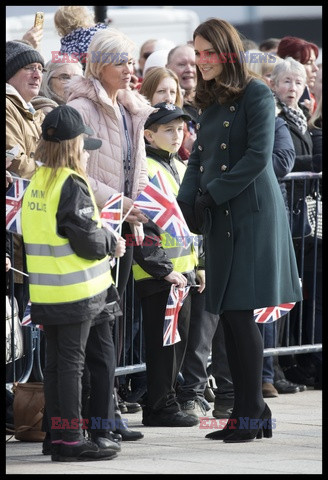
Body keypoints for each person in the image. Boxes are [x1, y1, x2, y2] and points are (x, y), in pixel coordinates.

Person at [177, 18, 302, 443]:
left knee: (236, 310)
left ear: (227, 53)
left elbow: (256, 156)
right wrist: (187, 195)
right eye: (197, 52)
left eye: (209, 52)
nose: (201, 61)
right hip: (221, 212)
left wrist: (210, 194)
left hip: (250, 211)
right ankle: (254, 411)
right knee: (230, 314)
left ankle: (249, 412)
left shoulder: (257, 92)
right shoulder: (209, 99)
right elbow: (198, 156)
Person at [21, 104, 126, 462]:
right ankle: (69, 439)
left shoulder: (38, 181)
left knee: (56, 365)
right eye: (83, 144)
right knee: (70, 365)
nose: (86, 151)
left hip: (48, 291)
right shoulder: (70, 183)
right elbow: (86, 241)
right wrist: (111, 242)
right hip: (75, 291)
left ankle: (56, 434)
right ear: (72, 146)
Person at [66, 26, 154, 440]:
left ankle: (108, 411)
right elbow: (78, 171)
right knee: (97, 328)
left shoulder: (130, 106)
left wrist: (133, 206)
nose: (130, 69)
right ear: (99, 65)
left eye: (132, 61)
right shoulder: (82, 106)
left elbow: (131, 166)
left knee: (111, 325)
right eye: (121, 61)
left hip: (122, 223)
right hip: (95, 224)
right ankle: (96, 416)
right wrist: (122, 206)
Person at [132, 102, 201, 427]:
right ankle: (160, 406)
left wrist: (198, 265)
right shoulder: (149, 169)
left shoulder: (178, 165)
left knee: (178, 342)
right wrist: (163, 269)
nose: (178, 135)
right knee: (165, 346)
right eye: (169, 129)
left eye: (181, 128)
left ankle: (164, 400)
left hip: (181, 272)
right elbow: (144, 227)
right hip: (159, 274)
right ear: (149, 134)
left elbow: (189, 225)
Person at [270, 57, 322, 389]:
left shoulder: (302, 121)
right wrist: (314, 161)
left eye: (299, 82)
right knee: (276, 297)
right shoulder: (274, 119)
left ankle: (293, 363)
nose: (293, 88)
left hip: (301, 220)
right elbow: (279, 160)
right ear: (274, 85)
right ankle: (272, 367)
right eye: (286, 81)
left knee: (297, 297)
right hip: (281, 217)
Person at [6, 40, 45, 322]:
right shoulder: (8, 106)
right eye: (29, 68)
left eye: (40, 68)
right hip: (15, 235)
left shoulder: (30, 110)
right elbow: (16, 161)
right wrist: (51, 176)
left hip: (29, 232)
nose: (37, 74)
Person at [277, 36, 319, 116]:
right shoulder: (274, 103)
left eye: (315, 62)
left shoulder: (310, 97)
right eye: (309, 63)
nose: (316, 68)